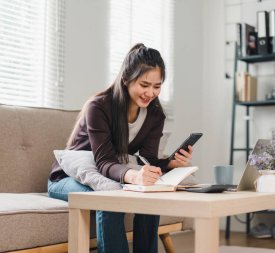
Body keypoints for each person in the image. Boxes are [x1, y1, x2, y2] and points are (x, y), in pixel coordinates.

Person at [48, 43, 193, 253]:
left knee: (149, 194)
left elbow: (147, 160)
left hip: (109, 172)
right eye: (144, 85)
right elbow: (104, 161)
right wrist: (134, 177)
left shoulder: (154, 114)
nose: (151, 93)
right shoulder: (99, 107)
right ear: (126, 79)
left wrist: (170, 162)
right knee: (111, 199)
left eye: (157, 86)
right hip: (67, 178)